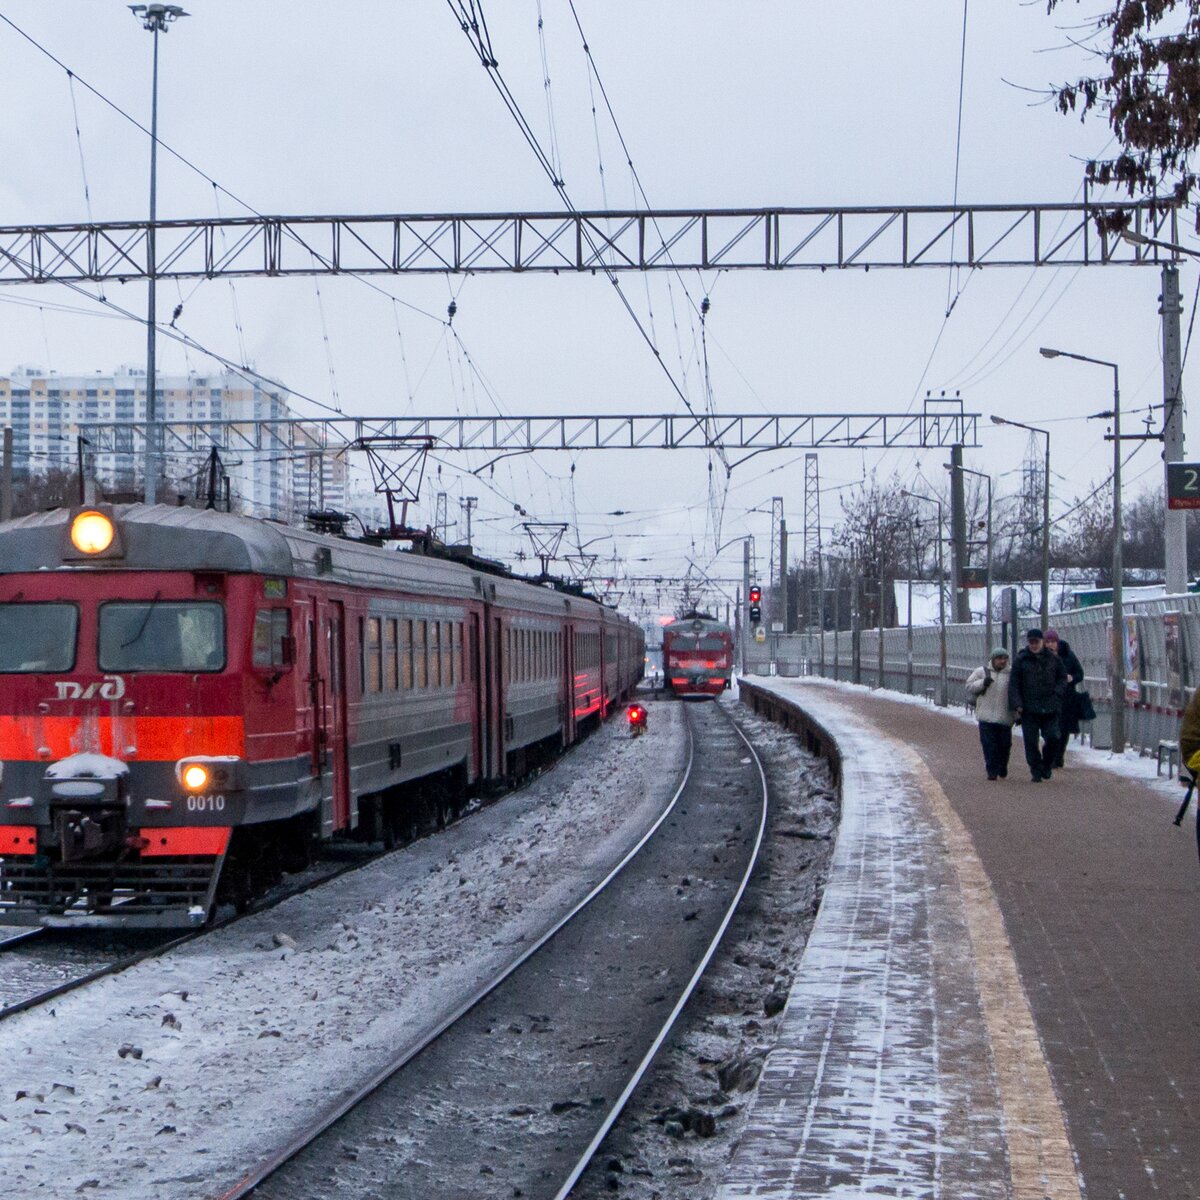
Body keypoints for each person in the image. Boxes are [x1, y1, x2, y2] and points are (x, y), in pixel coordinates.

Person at [1007, 627, 1068, 782]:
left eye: (1037, 642)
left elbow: (1062, 678)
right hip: (1029, 709)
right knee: (1030, 742)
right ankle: (1035, 769)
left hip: (1051, 707)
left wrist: (1058, 692)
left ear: (1042, 642)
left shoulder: (1054, 659)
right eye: (1031, 642)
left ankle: (1046, 764)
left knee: (1054, 737)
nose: (1034, 645)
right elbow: (1014, 684)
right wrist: (1017, 704)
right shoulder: (1021, 660)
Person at [965, 646, 1016, 780]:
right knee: (988, 745)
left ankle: (1002, 765)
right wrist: (983, 683)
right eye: (999, 658)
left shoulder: (1012, 674)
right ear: (993, 659)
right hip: (986, 717)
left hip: (1005, 717)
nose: (1003, 661)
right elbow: (969, 685)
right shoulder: (982, 671)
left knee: (1005, 745)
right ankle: (991, 770)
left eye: (1005, 658)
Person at [1044, 627, 1084, 769]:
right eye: (1047, 641)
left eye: (1053, 641)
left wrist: (1071, 678)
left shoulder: (1068, 655)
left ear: (1057, 642)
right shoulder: (1040, 656)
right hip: (1049, 698)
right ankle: (1053, 754)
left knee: (1064, 728)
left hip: (1067, 698)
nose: (1050, 645)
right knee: (1051, 728)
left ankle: (1059, 755)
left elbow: (1080, 673)